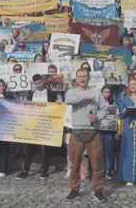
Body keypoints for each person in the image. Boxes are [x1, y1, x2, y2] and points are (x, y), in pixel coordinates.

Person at [64, 69, 107, 203]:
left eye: (85, 76)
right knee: (75, 164)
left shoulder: (96, 92)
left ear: (89, 78)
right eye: (80, 77)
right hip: (77, 131)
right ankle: (74, 189)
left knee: (96, 164)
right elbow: (68, 100)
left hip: (93, 131)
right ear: (76, 78)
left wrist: (97, 117)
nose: (82, 79)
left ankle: (98, 190)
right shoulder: (72, 92)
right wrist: (86, 97)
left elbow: (104, 109)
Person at [16, 74, 63, 180]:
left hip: (47, 124)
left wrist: (58, 103)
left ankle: (44, 170)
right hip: (33, 124)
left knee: (46, 148)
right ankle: (25, 170)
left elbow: (58, 105)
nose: (38, 85)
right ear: (34, 84)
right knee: (29, 148)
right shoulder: (30, 94)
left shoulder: (51, 93)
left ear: (43, 82)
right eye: (36, 83)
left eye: (40, 82)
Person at [97, 85, 117, 179]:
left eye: (108, 92)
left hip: (109, 130)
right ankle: (102, 169)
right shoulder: (98, 103)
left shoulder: (113, 103)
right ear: (102, 92)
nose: (106, 94)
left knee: (109, 151)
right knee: (101, 151)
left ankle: (109, 170)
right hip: (100, 129)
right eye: (105, 92)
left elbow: (116, 117)